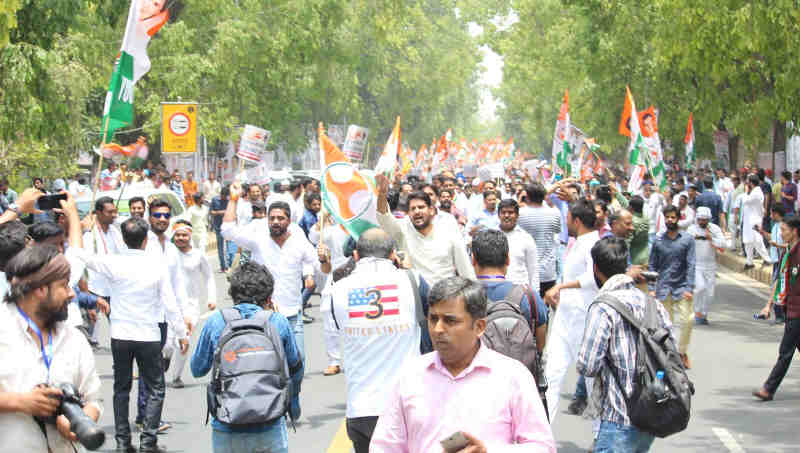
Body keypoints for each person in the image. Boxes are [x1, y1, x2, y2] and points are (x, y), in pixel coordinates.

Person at [369, 277, 556, 452]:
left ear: (479, 327)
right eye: (433, 319)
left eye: (450, 321)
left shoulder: (513, 377)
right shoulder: (410, 376)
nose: (437, 329)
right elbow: (384, 446)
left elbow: (543, 446)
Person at [77, 217, 188, 453]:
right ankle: (148, 442)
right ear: (146, 240)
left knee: (121, 389)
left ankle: (122, 442)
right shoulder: (156, 265)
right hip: (148, 334)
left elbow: (81, 254)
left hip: (121, 335)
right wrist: (182, 333)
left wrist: (83, 228)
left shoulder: (114, 263)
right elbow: (170, 303)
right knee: (156, 388)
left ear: (124, 240)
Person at [221, 185, 331, 420]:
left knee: (297, 365)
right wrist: (231, 199)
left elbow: (323, 270)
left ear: (289, 221)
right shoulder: (258, 239)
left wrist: (325, 259)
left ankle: (294, 396)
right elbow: (227, 229)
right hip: (263, 318)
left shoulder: (300, 242)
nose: (275, 222)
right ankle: (272, 406)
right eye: (272, 218)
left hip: (292, 316)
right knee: (266, 367)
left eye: (280, 218)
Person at [330, 229, 428, 452]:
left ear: (355, 256)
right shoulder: (412, 280)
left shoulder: (339, 289)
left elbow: (338, 325)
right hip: (407, 404)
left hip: (361, 407)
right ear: (394, 254)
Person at [191, 262, 303, 453]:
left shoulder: (216, 321)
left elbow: (197, 369)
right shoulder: (278, 322)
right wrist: (292, 403)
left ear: (233, 294)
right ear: (269, 297)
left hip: (227, 423)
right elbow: (296, 368)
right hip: (270, 421)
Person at [0, 246, 103, 453]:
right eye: (64, 285)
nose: (72, 294)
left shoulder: (74, 339)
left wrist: (81, 420)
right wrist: (21, 402)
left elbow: (93, 399)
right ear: (40, 289)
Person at [576, 237, 674, 453]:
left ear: (596, 268)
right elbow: (671, 351)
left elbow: (588, 366)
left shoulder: (603, 307)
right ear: (625, 265)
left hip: (618, 416)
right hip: (650, 413)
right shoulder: (653, 304)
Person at [543, 198, 600, 422]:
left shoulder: (593, 245)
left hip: (583, 318)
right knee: (551, 376)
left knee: (591, 379)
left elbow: (593, 278)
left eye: (567, 218)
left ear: (576, 220)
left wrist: (561, 286)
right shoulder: (576, 242)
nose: (566, 223)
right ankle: (543, 435)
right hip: (564, 316)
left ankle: (600, 435)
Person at [375, 174, 475, 285]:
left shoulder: (448, 228)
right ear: (408, 213)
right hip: (416, 296)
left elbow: (464, 266)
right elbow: (384, 217)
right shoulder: (404, 228)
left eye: (421, 207)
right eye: (413, 209)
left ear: (432, 210)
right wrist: (382, 194)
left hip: (445, 295)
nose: (417, 211)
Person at [472, 229, 548, 353]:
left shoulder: (462, 297)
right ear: (508, 259)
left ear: (473, 260)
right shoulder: (529, 297)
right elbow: (540, 346)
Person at [753, 215, 800, 401]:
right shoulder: (787, 252)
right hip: (790, 308)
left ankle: (768, 389)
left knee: (785, 352)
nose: (781, 234)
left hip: (797, 310)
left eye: (784, 230)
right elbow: (779, 280)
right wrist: (768, 305)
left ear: (794, 231)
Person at [168, 220, 217, 388]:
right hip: (168, 303)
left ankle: (176, 377)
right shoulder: (167, 253)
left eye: (184, 235)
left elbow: (209, 277)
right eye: (178, 235)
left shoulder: (198, 255)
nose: (181, 238)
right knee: (168, 343)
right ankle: (165, 357)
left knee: (184, 339)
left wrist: (212, 298)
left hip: (191, 306)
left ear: (190, 236)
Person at [648, 205, 696, 369]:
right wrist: (651, 287)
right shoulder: (658, 240)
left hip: (682, 287)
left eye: (673, 217)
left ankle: (682, 352)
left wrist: (689, 287)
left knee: (688, 320)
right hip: (663, 288)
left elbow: (691, 264)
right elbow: (652, 265)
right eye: (667, 217)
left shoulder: (687, 240)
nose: (670, 220)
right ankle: (669, 355)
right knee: (666, 325)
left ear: (678, 218)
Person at [687, 207, 731, 325]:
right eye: (700, 220)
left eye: (704, 220)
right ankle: (697, 312)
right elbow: (685, 245)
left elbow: (723, 244)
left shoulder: (714, 229)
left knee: (710, 293)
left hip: (710, 265)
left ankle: (703, 314)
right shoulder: (691, 229)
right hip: (697, 265)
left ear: (709, 219)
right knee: (700, 287)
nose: (702, 222)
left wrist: (711, 238)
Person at [518, 182, 562, 299]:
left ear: (527, 196)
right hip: (547, 272)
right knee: (544, 307)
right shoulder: (554, 213)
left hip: (525, 271)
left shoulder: (519, 214)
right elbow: (557, 230)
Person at [498, 198, 540, 293]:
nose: (506, 215)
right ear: (498, 215)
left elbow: (533, 269)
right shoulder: (491, 235)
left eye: (510, 212)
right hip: (497, 292)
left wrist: (535, 295)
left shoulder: (526, 238)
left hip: (521, 293)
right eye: (503, 212)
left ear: (517, 215)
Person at [742, 174, 773, 269]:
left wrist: (745, 191)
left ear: (751, 183)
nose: (746, 183)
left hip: (754, 221)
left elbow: (745, 201)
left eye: (748, 181)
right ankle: (749, 262)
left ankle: (767, 259)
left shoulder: (756, 193)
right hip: (750, 220)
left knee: (757, 241)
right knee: (748, 241)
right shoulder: (754, 192)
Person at [210, 186, 236, 272]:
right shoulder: (214, 200)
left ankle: (230, 265)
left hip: (229, 227)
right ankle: (223, 266)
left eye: (226, 196)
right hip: (218, 227)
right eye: (223, 196)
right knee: (220, 248)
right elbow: (211, 212)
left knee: (230, 247)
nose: (224, 198)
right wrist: (221, 212)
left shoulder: (229, 201)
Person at [628, 196, 650, 265]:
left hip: (635, 259)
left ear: (631, 207)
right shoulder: (645, 217)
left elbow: (627, 242)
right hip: (646, 255)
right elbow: (625, 204)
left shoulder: (633, 222)